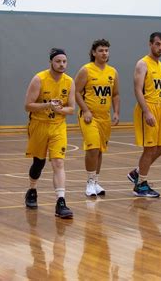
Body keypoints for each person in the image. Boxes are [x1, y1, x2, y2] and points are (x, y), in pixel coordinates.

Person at [24, 48, 75, 218]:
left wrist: (60, 109)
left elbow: (71, 108)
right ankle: (32, 190)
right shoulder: (39, 79)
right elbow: (28, 105)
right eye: (58, 61)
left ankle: (61, 202)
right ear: (51, 62)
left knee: (58, 163)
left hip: (58, 126)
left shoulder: (69, 82)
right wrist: (47, 106)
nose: (62, 65)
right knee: (38, 163)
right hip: (39, 124)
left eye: (64, 62)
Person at [75, 39, 120, 196]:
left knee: (100, 151)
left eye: (106, 50)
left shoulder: (112, 72)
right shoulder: (86, 70)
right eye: (101, 50)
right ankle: (89, 182)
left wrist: (116, 112)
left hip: (104, 117)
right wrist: (86, 110)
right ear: (94, 52)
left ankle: (96, 182)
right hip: (89, 116)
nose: (104, 53)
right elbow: (76, 92)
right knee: (92, 148)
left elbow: (115, 94)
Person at [127, 32, 161, 198]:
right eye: (157, 44)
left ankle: (137, 173)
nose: (160, 48)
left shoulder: (160, 65)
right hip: (147, 108)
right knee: (149, 148)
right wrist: (147, 111)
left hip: (159, 108)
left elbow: (159, 90)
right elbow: (137, 89)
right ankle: (141, 185)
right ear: (150, 44)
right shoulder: (142, 64)